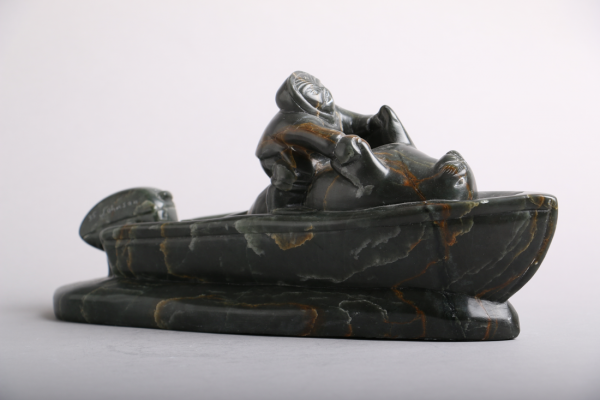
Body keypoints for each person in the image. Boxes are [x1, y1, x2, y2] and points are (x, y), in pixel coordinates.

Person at [251, 71, 413, 213]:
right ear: (301, 100)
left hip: (316, 148)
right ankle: (284, 210)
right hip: (281, 153)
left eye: (320, 86)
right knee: (296, 173)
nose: (322, 92)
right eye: (313, 91)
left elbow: (354, 122)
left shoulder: (325, 110)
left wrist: (375, 122)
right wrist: (339, 142)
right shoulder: (294, 122)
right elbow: (320, 136)